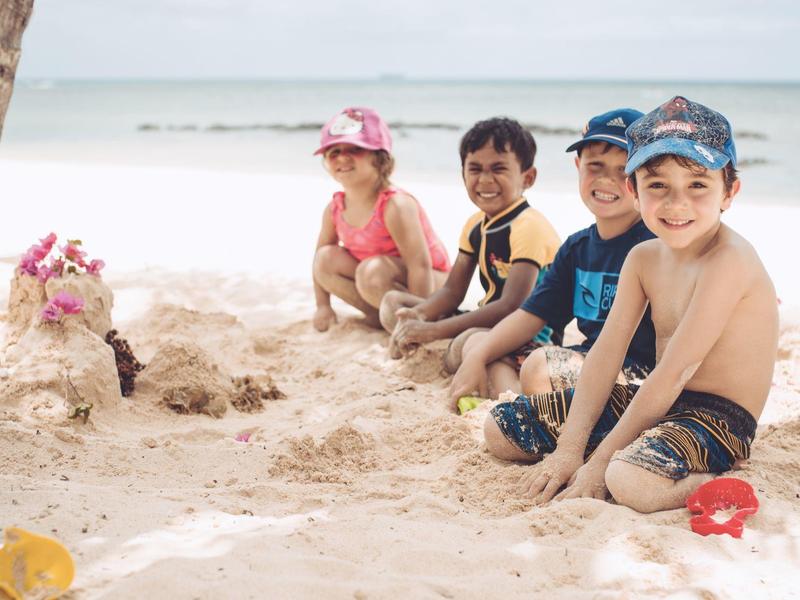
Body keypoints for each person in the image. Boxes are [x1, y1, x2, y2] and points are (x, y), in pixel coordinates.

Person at [485, 97, 779, 513]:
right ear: (633, 191)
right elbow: (607, 351)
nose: (676, 204)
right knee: (502, 429)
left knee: (628, 480)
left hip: (719, 418)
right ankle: (621, 452)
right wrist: (570, 448)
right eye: (658, 185)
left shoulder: (728, 260)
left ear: (729, 192)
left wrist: (600, 461)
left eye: (697, 185)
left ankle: (710, 477)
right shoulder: (643, 258)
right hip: (658, 401)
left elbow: (676, 370)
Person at [449, 108, 655, 404]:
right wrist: (478, 356)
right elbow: (530, 316)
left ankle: (526, 409)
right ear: (578, 166)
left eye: (624, 170)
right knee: (483, 347)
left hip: (639, 375)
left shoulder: (656, 245)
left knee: (537, 366)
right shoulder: (577, 248)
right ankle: (514, 405)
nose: (607, 180)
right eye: (595, 166)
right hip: (587, 361)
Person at [380, 117, 560, 361]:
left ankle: (447, 347)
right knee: (394, 303)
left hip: (528, 336)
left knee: (463, 346)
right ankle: (428, 342)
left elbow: (511, 305)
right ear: (463, 174)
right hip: (487, 322)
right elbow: (453, 291)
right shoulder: (475, 224)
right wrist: (419, 315)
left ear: (527, 178)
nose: (485, 180)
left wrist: (434, 330)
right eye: (475, 169)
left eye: (499, 169)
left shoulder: (529, 226)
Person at [312, 107, 451, 331]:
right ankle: (382, 319)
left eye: (355, 149)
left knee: (372, 271)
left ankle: (409, 320)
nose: (343, 157)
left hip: (433, 288)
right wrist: (322, 306)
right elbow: (318, 263)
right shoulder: (334, 209)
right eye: (333, 152)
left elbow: (420, 266)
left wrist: (420, 320)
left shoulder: (395, 205)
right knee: (325, 258)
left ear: (379, 157)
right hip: (379, 286)